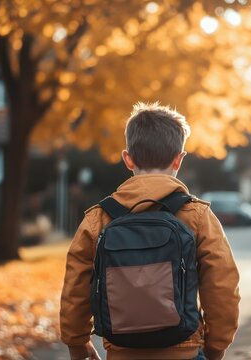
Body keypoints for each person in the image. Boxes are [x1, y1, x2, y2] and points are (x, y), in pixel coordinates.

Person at [60, 102, 241, 360]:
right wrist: (216, 346)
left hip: (122, 352)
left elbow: (75, 288)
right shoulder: (198, 216)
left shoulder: (98, 219)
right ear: (179, 159)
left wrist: (76, 342)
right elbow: (223, 285)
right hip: (184, 351)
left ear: (128, 158)